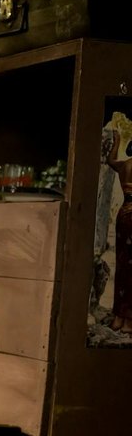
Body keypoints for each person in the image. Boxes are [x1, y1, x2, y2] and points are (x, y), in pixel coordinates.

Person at [104, 126, 132, 333]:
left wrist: (117, 141)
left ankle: (118, 318)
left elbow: (110, 160)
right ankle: (129, 321)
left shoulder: (124, 165)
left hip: (123, 215)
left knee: (123, 266)